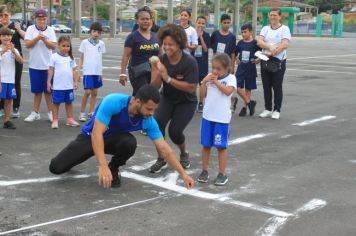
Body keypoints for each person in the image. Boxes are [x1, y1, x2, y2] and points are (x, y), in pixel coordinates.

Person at [49, 85, 195, 189]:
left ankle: (114, 167)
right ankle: (85, 158)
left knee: (129, 142)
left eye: (154, 110)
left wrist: (183, 175)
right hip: (90, 137)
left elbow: (164, 149)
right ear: (137, 101)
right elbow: (96, 133)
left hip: (114, 140)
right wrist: (102, 165)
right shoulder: (114, 102)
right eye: (149, 109)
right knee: (56, 167)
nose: (152, 113)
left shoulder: (148, 121)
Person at [149, 24, 199, 173]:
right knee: (156, 125)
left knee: (175, 132)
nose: (167, 47)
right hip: (167, 98)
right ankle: (161, 158)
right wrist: (157, 72)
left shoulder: (189, 62)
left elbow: (191, 87)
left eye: (171, 44)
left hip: (186, 101)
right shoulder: (161, 59)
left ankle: (184, 153)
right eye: (165, 44)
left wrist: (168, 78)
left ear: (179, 44)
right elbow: (155, 87)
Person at [197, 53, 236, 186]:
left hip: (222, 119)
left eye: (218, 69)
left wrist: (216, 82)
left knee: (221, 147)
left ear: (226, 68)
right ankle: (204, 170)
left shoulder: (231, 78)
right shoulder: (209, 78)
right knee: (206, 145)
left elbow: (228, 91)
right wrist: (203, 82)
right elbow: (202, 96)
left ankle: (221, 173)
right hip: (208, 117)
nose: (214, 71)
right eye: (213, 68)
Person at [257, 8, 291, 120]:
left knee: (277, 86)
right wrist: (270, 46)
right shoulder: (265, 28)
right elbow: (259, 42)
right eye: (271, 15)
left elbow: (284, 44)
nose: (273, 17)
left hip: (278, 61)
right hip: (265, 60)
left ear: (280, 17)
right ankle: (267, 109)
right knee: (266, 86)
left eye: (275, 15)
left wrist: (272, 52)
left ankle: (277, 110)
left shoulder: (284, 29)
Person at [24, 8, 57, 123]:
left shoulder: (51, 30)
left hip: (48, 67)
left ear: (47, 19)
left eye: (43, 19)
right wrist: (37, 38)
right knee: (37, 91)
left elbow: (53, 46)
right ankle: (35, 113)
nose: (41, 22)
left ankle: (51, 113)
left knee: (48, 91)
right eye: (39, 19)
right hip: (34, 65)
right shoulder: (30, 29)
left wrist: (44, 40)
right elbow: (27, 45)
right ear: (35, 19)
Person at [120, 6, 160, 96]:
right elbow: (126, 55)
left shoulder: (156, 36)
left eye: (147, 19)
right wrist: (122, 73)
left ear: (151, 20)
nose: (145, 21)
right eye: (142, 19)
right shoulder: (132, 37)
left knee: (139, 97)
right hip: (137, 71)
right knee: (145, 95)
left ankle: (131, 109)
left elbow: (161, 53)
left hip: (153, 72)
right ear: (137, 21)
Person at [47, 36, 80, 129]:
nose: (66, 48)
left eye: (68, 46)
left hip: (68, 86)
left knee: (69, 102)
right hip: (58, 86)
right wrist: (48, 82)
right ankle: (55, 120)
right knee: (56, 103)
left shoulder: (71, 58)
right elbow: (51, 70)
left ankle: (70, 119)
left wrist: (76, 81)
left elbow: (74, 71)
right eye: (63, 46)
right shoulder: (54, 56)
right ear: (58, 45)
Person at [0, 6, 25, 118]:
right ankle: (1, 108)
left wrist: (19, 29)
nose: (4, 17)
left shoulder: (15, 25)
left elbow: (27, 38)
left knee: (15, 82)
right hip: (1, 58)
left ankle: (15, 107)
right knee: (1, 82)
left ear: (10, 15)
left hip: (15, 56)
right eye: (1, 15)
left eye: (6, 15)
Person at [78, 22, 106, 122]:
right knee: (87, 92)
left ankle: (91, 112)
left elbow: (100, 59)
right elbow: (81, 58)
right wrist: (78, 71)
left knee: (94, 93)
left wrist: (101, 74)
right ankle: (82, 113)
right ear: (90, 32)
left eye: (98, 32)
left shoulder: (101, 44)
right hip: (88, 71)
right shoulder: (85, 42)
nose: (96, 34)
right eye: (94, 31)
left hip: (97, 72)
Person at [232, 23, 260, 116]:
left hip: (250, 68)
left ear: (250, 32)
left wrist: (257, 60)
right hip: (241, 68)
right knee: (237, 86)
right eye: (242, 32)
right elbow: (235, 53)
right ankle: (249, 102)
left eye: (245, 32)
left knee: (248, 88)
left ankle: (245, 107)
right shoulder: (240, 43)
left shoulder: (255, 43)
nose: (243, 34)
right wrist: (236, 59)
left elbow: (262, 54)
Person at [0, 27, 24, 129]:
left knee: (8, 100)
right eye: (4, 36)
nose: (6, 37)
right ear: (0, 37)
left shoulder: (14, 49)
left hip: (10, 80)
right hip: (1, 79)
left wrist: (13, 51)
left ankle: (7, 121)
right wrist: (3, 51)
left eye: (9, 35)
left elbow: (21, 61)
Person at [193, 16, 211, 113]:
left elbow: (205, 49)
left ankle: (201, 102)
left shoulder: (207, 35)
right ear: (195, 23)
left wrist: (201, 37)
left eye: (203, 23)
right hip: (193, 63)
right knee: (192, 84)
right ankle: (192, 102)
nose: (200, 25)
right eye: (199, 22)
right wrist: (196, 36)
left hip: (203, 63)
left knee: (203, 84)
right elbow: (190, 46)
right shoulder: (191, 33)